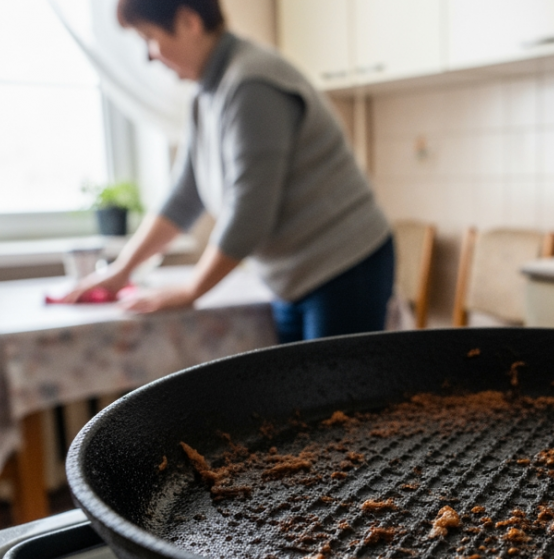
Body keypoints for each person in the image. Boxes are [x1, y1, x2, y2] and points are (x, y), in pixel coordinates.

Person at [67, 0, 394, 343]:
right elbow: (184, 196)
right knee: (303, 390)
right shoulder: (206, 94)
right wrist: (121, 271)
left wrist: (191, 290)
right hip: (294, 275)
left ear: (189, 21)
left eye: (150, 37)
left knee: (334, 391)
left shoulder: (252, 83)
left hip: (344, 266)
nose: (149, 55)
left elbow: (251, 213)